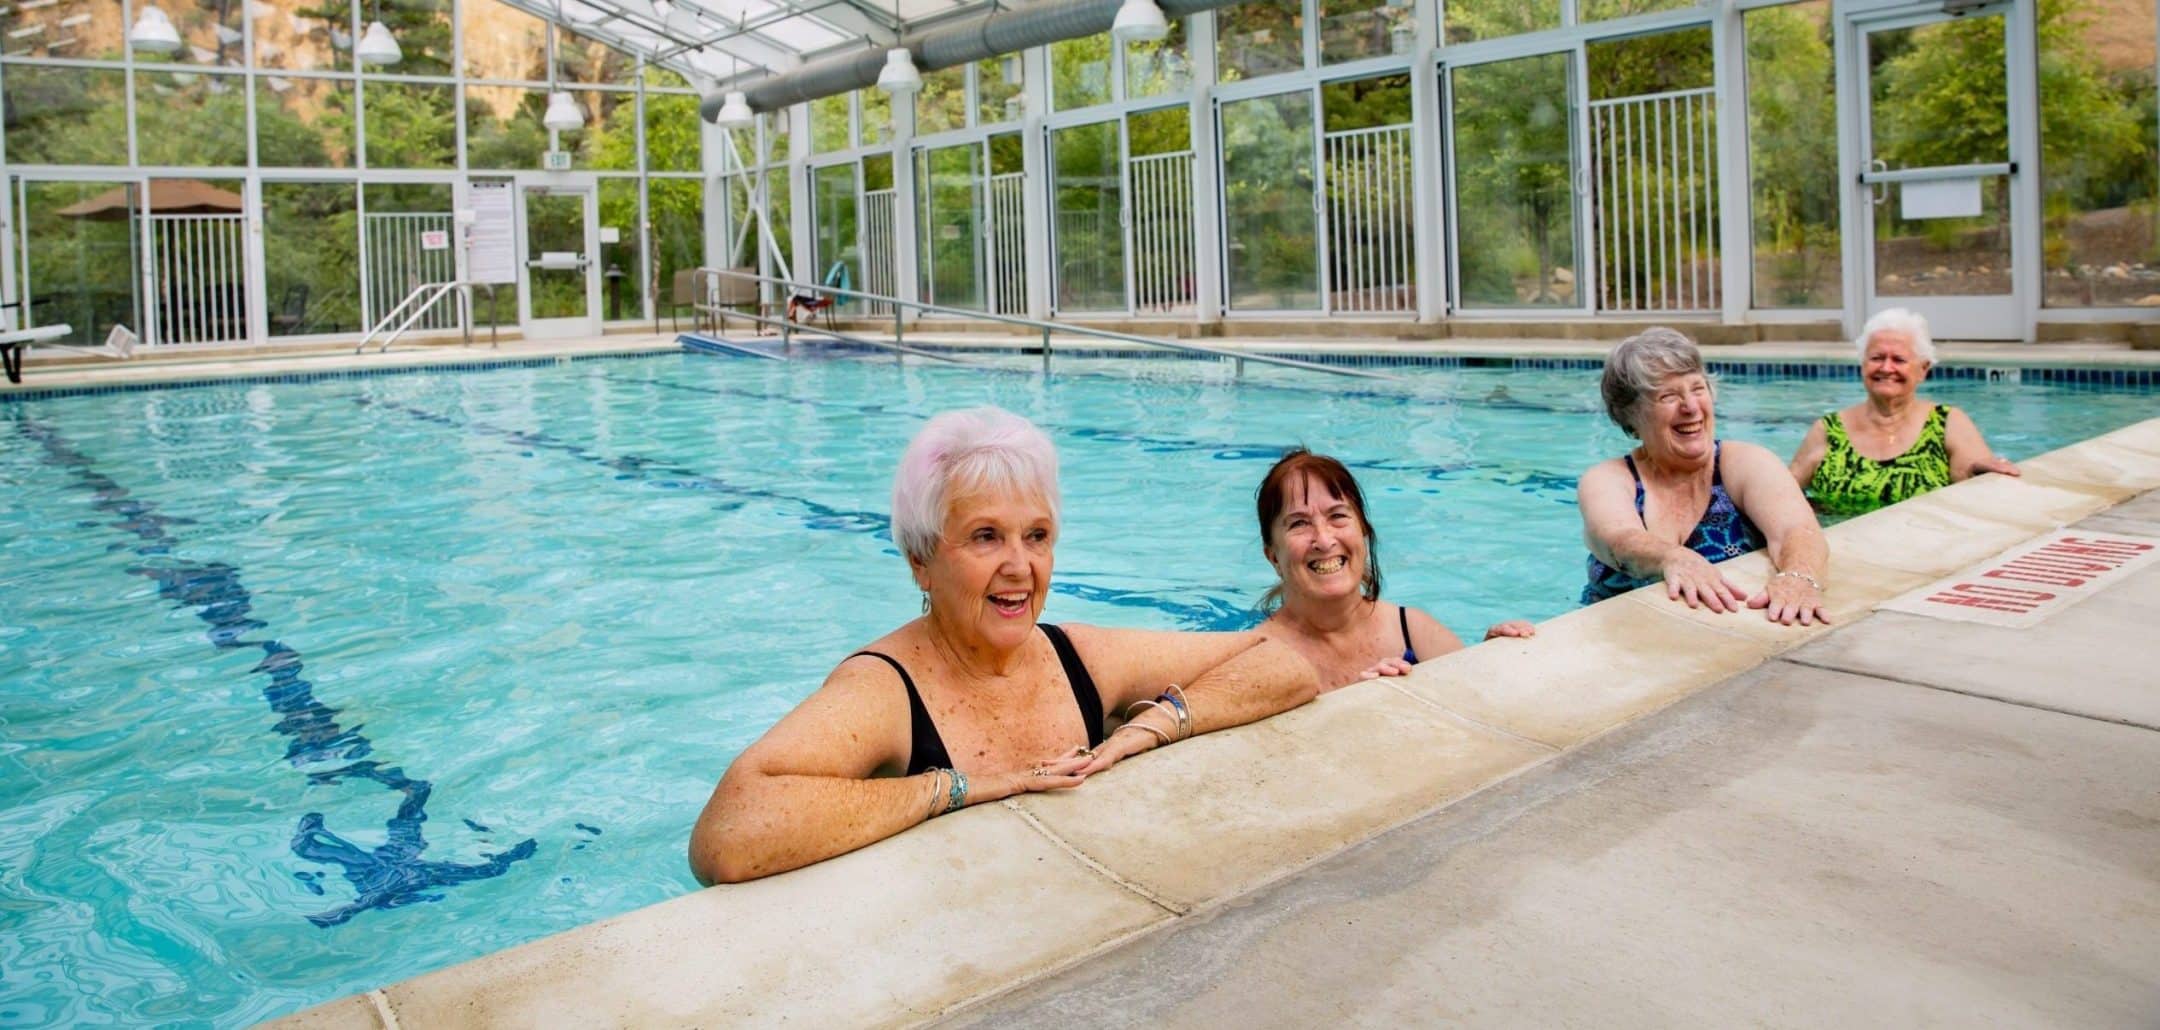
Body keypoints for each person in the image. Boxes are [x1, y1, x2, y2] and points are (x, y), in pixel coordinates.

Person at [689, 407, 1320, 884]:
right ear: (921, 560)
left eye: (1036, 535)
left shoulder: (1077, 657)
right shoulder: (887, 689)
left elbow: (1282, 661)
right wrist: (956, 789)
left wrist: (1151, 727)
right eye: (986, 536)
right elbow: (728, 834)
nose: (1020, 566)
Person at [1577, 328, 1831, 625]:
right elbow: (1618, 539)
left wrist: (1798, 576)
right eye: (1668, 396)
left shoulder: (1744, 463)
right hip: (1616, 640)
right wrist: (1673, 557)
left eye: (1698, 389)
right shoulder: (1608, 478)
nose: (1691, 408)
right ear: (1630, 414)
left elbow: (1798, 531)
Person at [1254, 449, 1534, 689]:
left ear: (1363, 532)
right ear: (1273, 557)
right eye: (1299, 523)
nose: (1325, 540)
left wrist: (1489, 659)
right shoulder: (1259, 657)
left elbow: (1477, 705)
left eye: (1338, 516)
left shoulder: (1411, 630)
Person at [1788, 307, 2019, 516]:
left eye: (1898, 359)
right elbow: (1782, 491)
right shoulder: (1829, 430)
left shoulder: (1946, 422)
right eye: (1876, 358)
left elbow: (1971, 468)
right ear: (1863, 364)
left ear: (1923, 369)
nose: (1886, 368)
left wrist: (1982, 469)